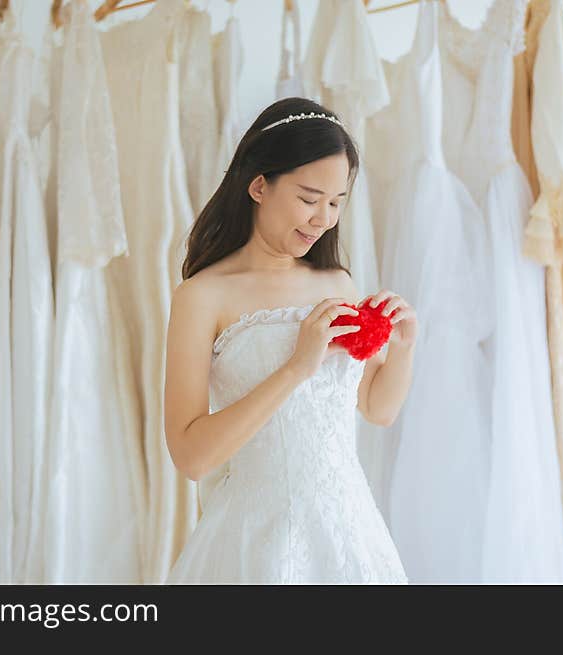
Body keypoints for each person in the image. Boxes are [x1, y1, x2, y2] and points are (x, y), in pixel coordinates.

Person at [164, 97, 416, 583]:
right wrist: (295, 368)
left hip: (351, 538)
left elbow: (377, 408)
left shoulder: (337, 283)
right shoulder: (202, 296)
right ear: (259, 186)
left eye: (337, 202)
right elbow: (192, 457)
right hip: (257, 544)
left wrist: (403, 346)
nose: (323, 218)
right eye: (308, 198)